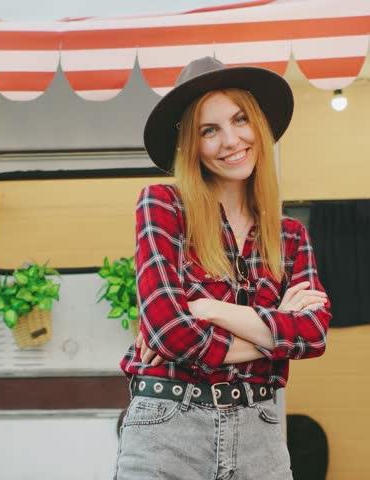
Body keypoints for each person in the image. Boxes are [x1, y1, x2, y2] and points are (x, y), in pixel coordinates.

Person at [115, 56, 332, 480]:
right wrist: (277, 334)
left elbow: (316, 333)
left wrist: (214, 310)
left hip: (260, 431)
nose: (230, 140)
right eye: (209, 130)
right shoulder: (162, 205)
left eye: (239, 120)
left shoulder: (290, 236)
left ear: (258, 127)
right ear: (191, 145)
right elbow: (166, 330)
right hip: (169, 425)